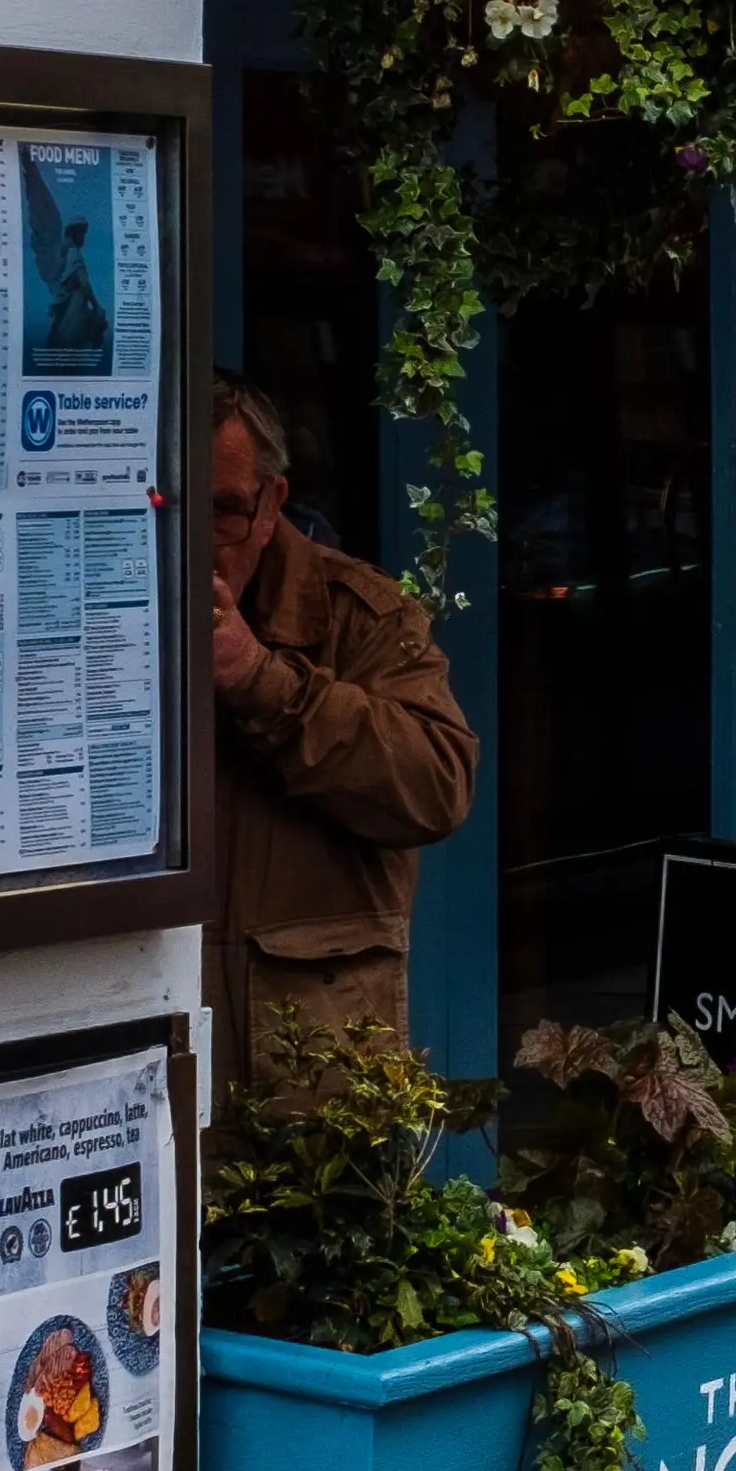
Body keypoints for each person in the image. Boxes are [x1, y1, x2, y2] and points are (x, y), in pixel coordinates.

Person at [207, 374, 475, 1084]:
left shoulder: (362, 615)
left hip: (308, 1077)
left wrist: (260, 680)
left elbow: (439, 782)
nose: (200, 545)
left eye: (224, 513)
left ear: (272, 507)